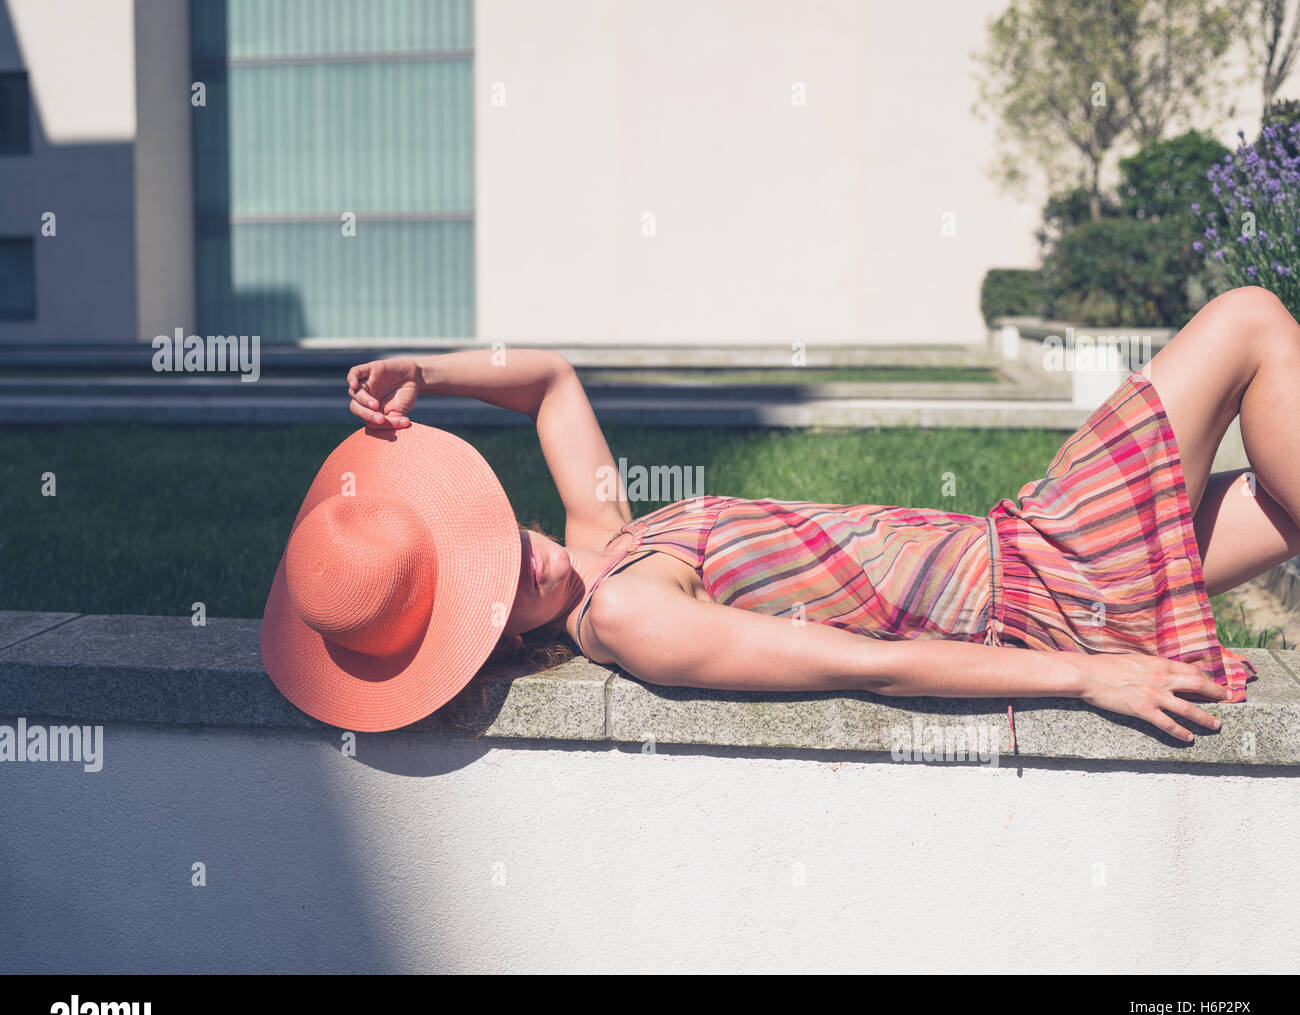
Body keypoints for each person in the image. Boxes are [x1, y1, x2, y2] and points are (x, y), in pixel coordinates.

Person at [327, 286, 1300, 740]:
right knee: (1250, 320)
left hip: (1018, 544)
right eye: (494, 600)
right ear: (492, 645)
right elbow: (866, 666)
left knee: (1284, 505)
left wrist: (427, 370)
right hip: (1038, 580)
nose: (520, 566)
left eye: (494, 547)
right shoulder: (624, 615)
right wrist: (1089, 681)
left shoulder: (601, 544)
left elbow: (549, 384)